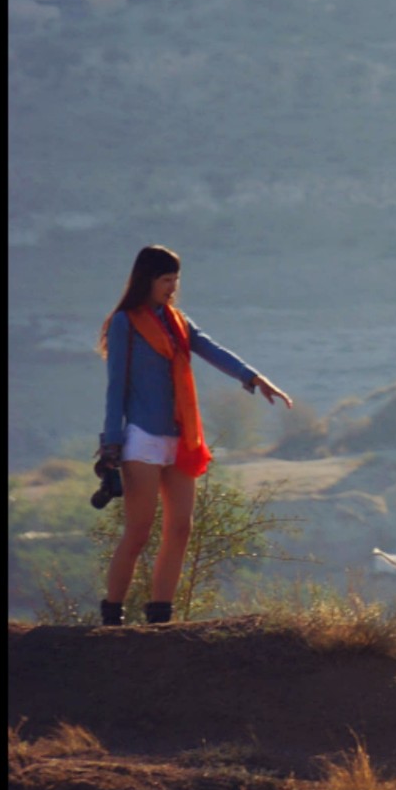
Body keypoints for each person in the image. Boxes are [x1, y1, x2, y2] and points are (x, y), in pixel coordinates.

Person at [96, 245, 292, 627]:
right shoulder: (124, 323)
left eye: (176, 279)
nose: (172, 287)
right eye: (165, 280)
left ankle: (160, 617)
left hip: (180, 438)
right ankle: (111, 618)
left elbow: (213, 350)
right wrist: (111, 443)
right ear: (147, 280)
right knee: (138, 531)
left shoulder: (178, 322)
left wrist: (254, 378)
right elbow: (115, 386)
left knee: (181, 528)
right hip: (141, 439)